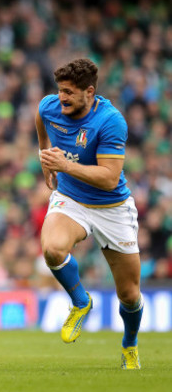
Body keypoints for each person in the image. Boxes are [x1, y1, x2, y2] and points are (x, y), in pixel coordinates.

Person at [35, 58, 143, 369]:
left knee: (129, 293)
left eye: (69, 92)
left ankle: (130, 345)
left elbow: (110, 178)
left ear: (89, 92)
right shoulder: (50, 106)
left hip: (112, 208)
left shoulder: (110, 121)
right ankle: (81, 301)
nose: (61, 98)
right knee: (52, 250)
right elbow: (40, 118)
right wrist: (44, 156)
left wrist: (64, 165)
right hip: (71, 198)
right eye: (59, 91)